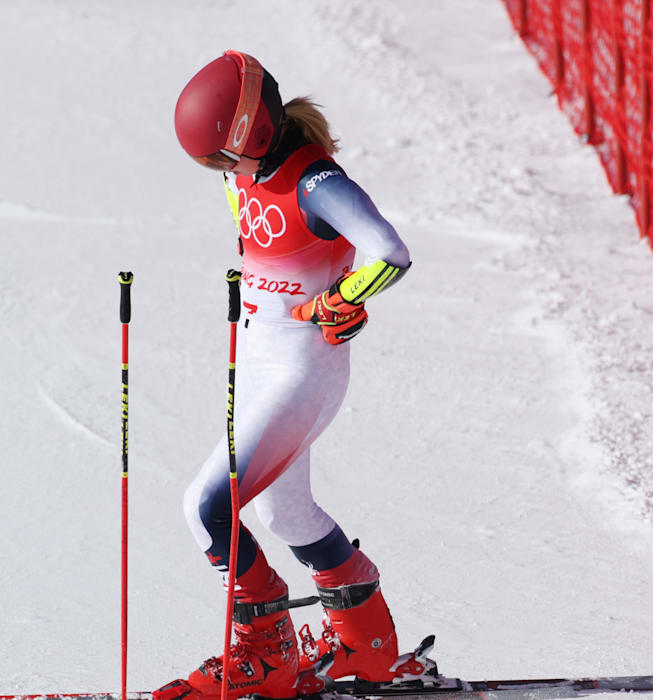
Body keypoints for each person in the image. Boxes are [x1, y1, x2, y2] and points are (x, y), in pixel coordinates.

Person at [155, 51, 417, 700]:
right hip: (261, 362)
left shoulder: (316, 185)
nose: (220, 175)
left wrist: (345, 297)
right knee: (283, 508)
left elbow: (391, 252)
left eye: (222, 158)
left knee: (207, 507)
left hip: (302, 374)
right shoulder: (241, 173)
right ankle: (368, 643)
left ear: (255, 134)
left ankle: (265, 654)